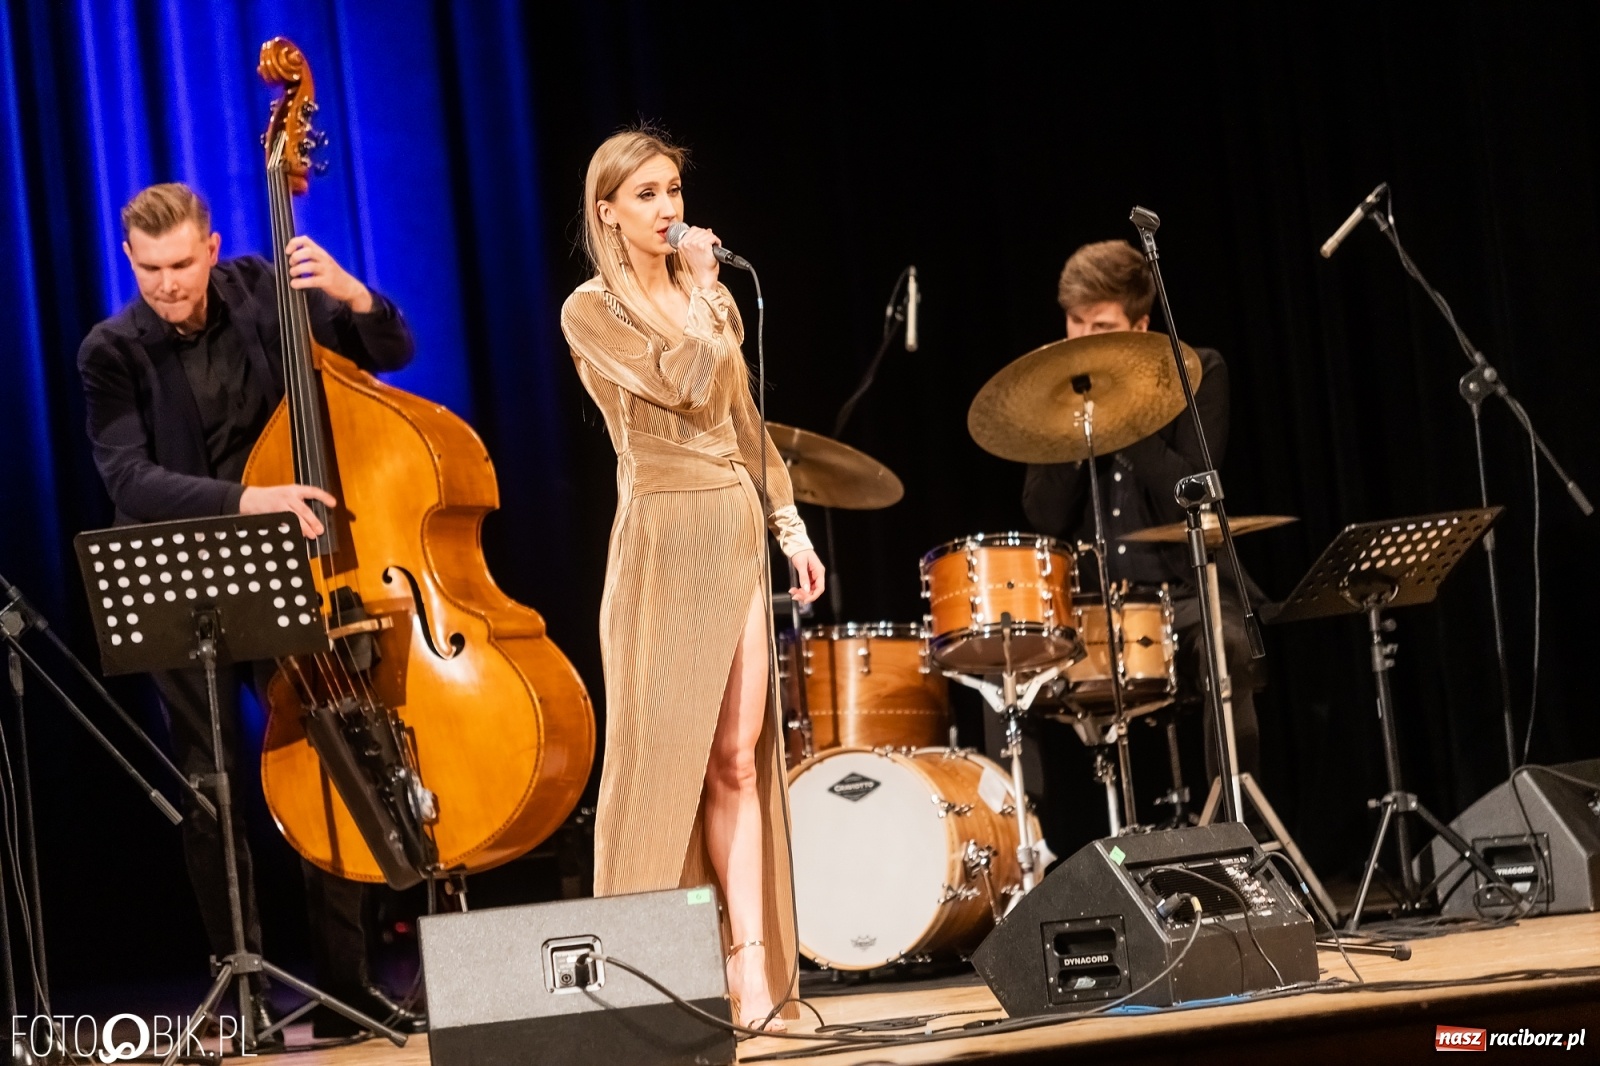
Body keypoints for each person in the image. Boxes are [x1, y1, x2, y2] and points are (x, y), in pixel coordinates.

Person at [77, 182, 424, 1038]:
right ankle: (241, 992)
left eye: (182, 264)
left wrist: (353, 295)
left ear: (212, 248)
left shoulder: (264, 290)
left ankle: (349, 987)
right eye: (150, 269)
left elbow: (391, 352)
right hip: (180, 573)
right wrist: (246, 501)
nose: (167, 284)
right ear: (130, 260)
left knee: (329, 761)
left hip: (287, 571)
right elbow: (129, 478)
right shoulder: (110, 351)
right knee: (213, 785)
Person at [560, 129, 826, 1032]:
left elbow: (744, 420)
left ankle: (751, 971)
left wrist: (788, 525)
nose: (668, 209)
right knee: (661, 764)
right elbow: (678, 385)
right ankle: (649, 983)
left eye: (672, 189)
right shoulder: (591, 310)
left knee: (736, 760)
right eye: (646, 194)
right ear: (607, 211)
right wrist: (708, 297)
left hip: (732, 524)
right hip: (662, 533)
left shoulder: (710, 301)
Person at [1021, 239, 1264, 792]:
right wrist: (1077, 425)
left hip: (1186, 593)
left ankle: (1234, 819)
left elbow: (1193, 490)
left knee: (1229, 646)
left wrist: (1122, 416)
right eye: (1075, 323)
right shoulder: (1050, 393)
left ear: (1140, 327)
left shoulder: (1197, 372)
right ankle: (1034, 838)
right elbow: (1045, 513)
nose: (1083, 341)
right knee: (1005, 668)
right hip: (1093, 605)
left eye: (1101, 327)